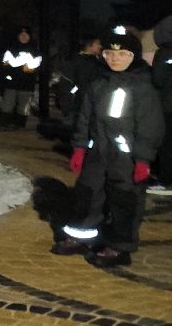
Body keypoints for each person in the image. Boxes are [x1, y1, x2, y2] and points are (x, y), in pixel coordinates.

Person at [51, 24, 164, 265]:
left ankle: (119, 246)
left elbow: (151, 126)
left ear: (133, 56)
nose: (115, 59)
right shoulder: (98, 83)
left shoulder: (143, 88)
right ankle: (82, 235)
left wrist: (143, 159)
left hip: (126, 157)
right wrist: (80, 147)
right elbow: (84, 117)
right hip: (97, 152)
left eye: (122, 54)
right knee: (87, 194)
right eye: (110, 53)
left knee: (124, 200)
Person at [0, 27, 42, 128]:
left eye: (26, 35)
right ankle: (5, 124)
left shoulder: (34, 51)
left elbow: (37, 67)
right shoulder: (11, 49)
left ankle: (20, 126)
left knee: (23, 107)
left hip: (27, 85)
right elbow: (4, 65)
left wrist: (30, 69)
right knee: (8, 104)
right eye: (21, 35)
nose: (23, 37)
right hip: (12, 83)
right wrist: (10, 72)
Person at [54, 33, 103, 124]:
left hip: (92, 106)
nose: (100, 46)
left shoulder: (98, 62)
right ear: (90, 45)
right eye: (98, 43)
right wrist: (69, 103)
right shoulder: (76, 62)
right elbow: (68, 85)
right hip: (78, 107)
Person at [151, 16, 172, 194]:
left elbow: (157, 80)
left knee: (167, 144)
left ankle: (166, 180)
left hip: (167, 106)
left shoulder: (164, 53)